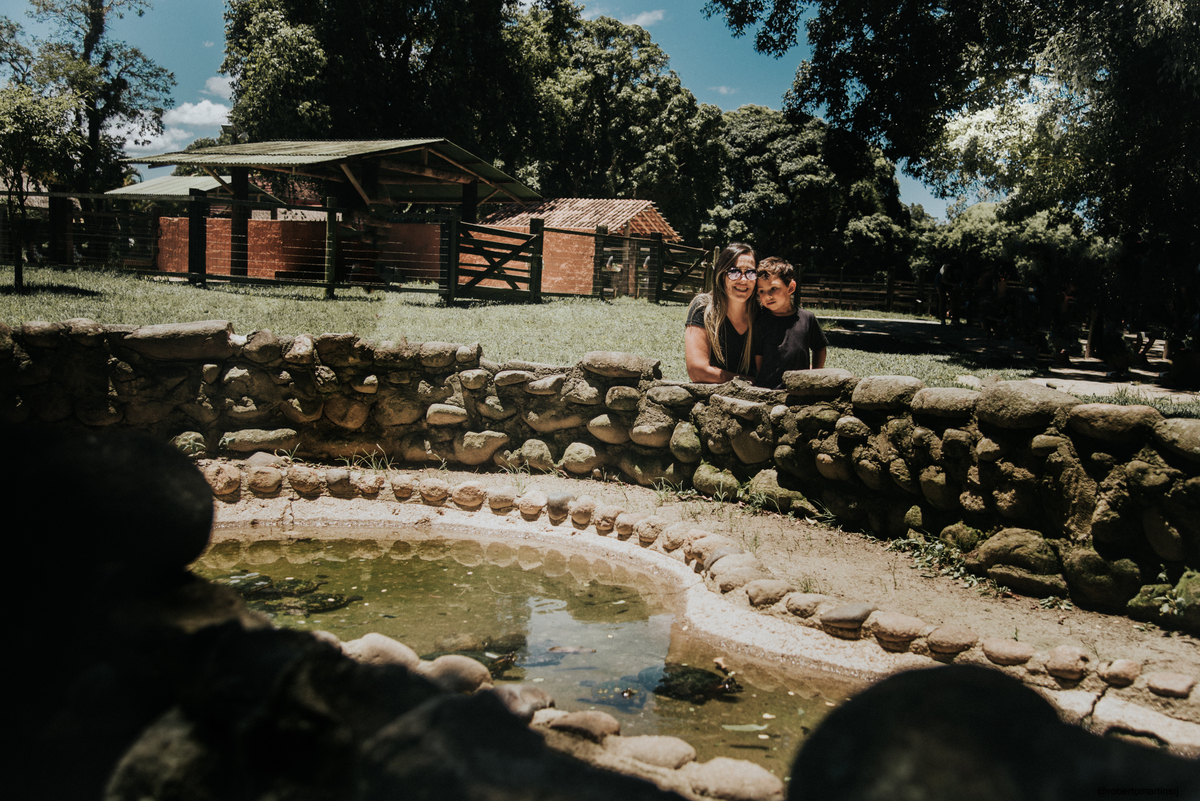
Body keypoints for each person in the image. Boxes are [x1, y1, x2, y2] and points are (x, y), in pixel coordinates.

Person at [685, 242, 762, 382]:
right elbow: (697, 371)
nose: (743, 279)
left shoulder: (762, 313)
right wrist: (748, 381)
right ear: (721, 275)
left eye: (750, 273)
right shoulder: (703, 308)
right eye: (734, 272)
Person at [752, 256, 827, 389]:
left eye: (773, 288)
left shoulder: (807, 319)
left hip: (799, 390)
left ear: (791, 288)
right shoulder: (760, 322)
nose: (767, 295)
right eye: (761, 291)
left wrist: (815, 375)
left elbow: (819, 348)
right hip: (768, 390)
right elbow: (759, 358)